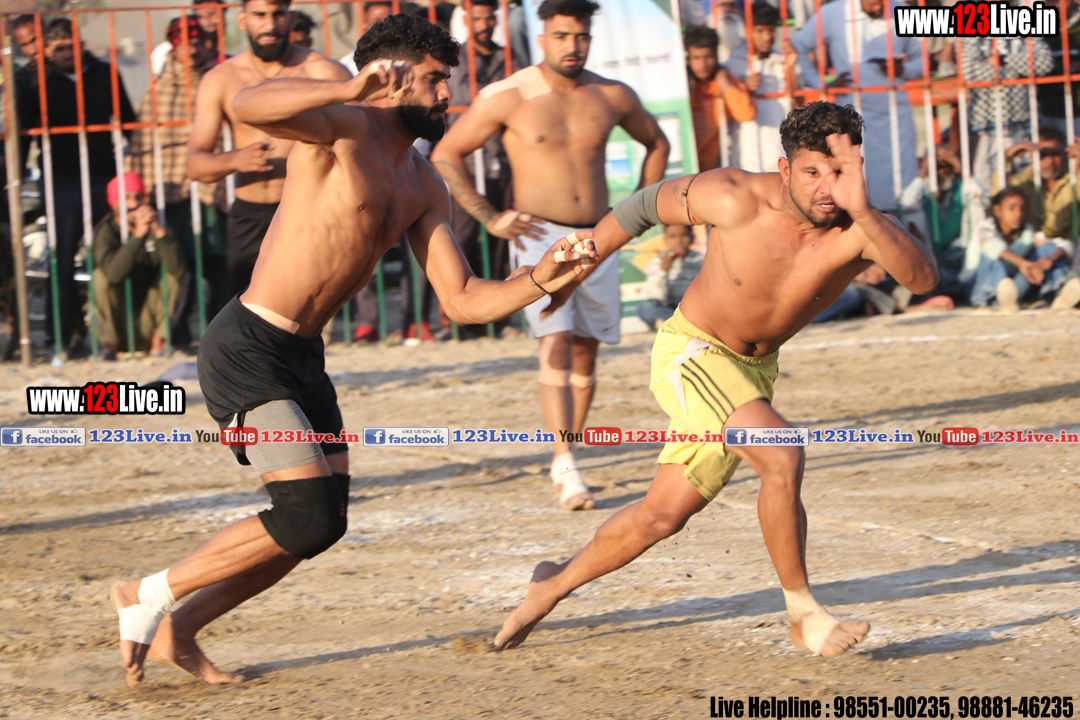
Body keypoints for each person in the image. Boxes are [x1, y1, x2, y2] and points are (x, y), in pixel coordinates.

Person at [110, 13, 597, 688]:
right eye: (434, 79)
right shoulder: (341, 127)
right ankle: (147, 593)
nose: (446, 94)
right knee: (304, 514)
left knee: (323, 522)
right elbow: (249, 105)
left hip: (303, 357)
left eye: (448, 81)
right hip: (247, 346)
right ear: (391, 78)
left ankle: (181, 627)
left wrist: (541, 278)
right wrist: (348, 87)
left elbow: (462, 301)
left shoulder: (423, 182)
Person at [493, 101, 939, 658]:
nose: (828, 188)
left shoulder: (863, 226)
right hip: (693, 353)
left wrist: (865, 209)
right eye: (812, 172)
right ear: (784, 169)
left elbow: (923, 280)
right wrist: (577, 268)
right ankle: (804, 615)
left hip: (752, 373)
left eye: (840, 171)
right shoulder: (733, 196)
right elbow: (642, 206)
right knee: (782, 453)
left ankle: (551, 584)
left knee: (662, 515)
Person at [431, 0, 670, 511]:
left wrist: (637, 211)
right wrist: (491, 216)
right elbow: (446, 153)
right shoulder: (510, 94)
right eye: (562, 36)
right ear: (542, 38)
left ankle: (568, 454)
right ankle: (565, 462)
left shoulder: (612, 94)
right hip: (539, 237)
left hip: (599, 236)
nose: (572, 45)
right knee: (555, 343)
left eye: (580, 36)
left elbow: (658, 143)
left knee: (585, 350)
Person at [186, 0, 351, 299]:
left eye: (278, 15)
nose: (270, 24)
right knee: (245, 309)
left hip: (307, 210)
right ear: (242, 20)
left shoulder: (324, 71)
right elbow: (195, 165)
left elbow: (361, 139)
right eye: (260, 15)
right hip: (249, 215)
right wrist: (235, 160)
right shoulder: (221, 78)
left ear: (290, 18)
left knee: (304, 308)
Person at [17, 18, 137, 359]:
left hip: (103, 176)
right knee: (62, 264)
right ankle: (62, 338)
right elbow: (24, 135)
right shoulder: (35, 82)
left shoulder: (105, 74)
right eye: (59, 49)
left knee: (109, 258)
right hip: (61, 181)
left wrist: (134, 172)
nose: (67, 54)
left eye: (72, 46)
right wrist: (16, 178)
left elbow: (128, 122)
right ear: (47, 51)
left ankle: (114, 337)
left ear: (81, 44)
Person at [129, 16, 229, 352]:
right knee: (178, 263)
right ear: (173, 46)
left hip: (211, 188)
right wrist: (140, 191)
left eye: (198, 42)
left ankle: (218, 334)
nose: (192, 49)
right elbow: (143, 143)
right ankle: (179, 332)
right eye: (185, 43)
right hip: (170, 189)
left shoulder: (219, 80)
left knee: (217, 261)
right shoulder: (158, 91)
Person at [441, 0, 525, 340]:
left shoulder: (510, 58)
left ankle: (502, 319)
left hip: (501, 159)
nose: (485, 24)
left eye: (490, 18)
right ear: (467, 19)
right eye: (478, 18)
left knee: (502, 238)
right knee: (460, 238)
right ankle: (461, 319)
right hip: (463, 160)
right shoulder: (454, 58)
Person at [792, 0, 921, 214]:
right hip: (851, 114)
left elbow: (922, 60)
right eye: (873, 2)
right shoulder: (833, 13)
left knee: (904, 185)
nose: (879, 6)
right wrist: (820, 82)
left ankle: (902, 228)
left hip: (895, 112)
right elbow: (797, 47)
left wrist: (902, 69)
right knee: (858, 180)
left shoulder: (903, 12)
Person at [91, 173, 184, 359]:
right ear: (115, 204)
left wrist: (158, 232)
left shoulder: (157, 224)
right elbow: (113, 275)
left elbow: (179, 270)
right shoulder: (105, 231)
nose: (134, 204)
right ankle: (110, 345)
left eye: (138, 197)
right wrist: (137, 237)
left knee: (172, 277)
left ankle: (160, 341)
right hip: (120, 319)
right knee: (99, 277)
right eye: (126, 198)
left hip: (149, 319)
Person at [960, 35, 1052, 192]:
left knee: (1026, 187)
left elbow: (1044, 63)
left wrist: (1001, 60)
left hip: (1023, 125)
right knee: (984, 189)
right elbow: (969, 72)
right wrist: (1019, 73)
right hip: (986, 126)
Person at [967, 188, 1072, 312]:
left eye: (1022, 208)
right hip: (980, 287)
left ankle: (1060, 294)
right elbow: (992, 246)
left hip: (1012, 291)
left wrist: (1049, 260)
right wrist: (1023, 264)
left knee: (1048, 249)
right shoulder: (984, 228)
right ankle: (995, 296)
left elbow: (1064, 245)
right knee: (989, 256)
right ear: (997, 210)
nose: (1018, 213)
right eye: (1011, 208)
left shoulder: (1027, 232)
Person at [724, 3, 799, 173]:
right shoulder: (732, 67)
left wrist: (791, 68)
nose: (767, 37)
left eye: (771, 30)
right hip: (746, 160)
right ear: (746, 30)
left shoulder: (783, 62)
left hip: (781, 156)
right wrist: (743, 89)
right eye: (760, 31)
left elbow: (798, 107)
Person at [684, 25, 755, 172]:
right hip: (684, 166)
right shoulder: (681, 84)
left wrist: (725, 84)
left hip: (711, 170)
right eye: (696, 58)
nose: (703, 64)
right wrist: (688, 91)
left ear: (717, 55)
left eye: (708, 56)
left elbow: (746, 114)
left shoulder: (724, 80)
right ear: (688, 58)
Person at [636, 225, 702, 329]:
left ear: (692, 238)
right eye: (672, 236)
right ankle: (677, 327)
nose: (678, 241)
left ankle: (674, 328)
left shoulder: (701, 260)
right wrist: (664, 269)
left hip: (693, 307)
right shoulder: (658, 261)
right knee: (645, 307)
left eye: (684, 235)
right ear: (665, 240)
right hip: (669, 308)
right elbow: (655, 296)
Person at [152, 0, 227, 76]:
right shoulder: (164, 56)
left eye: (221, 16)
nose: (217, 20)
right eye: (209, 15)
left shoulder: (228, 63)